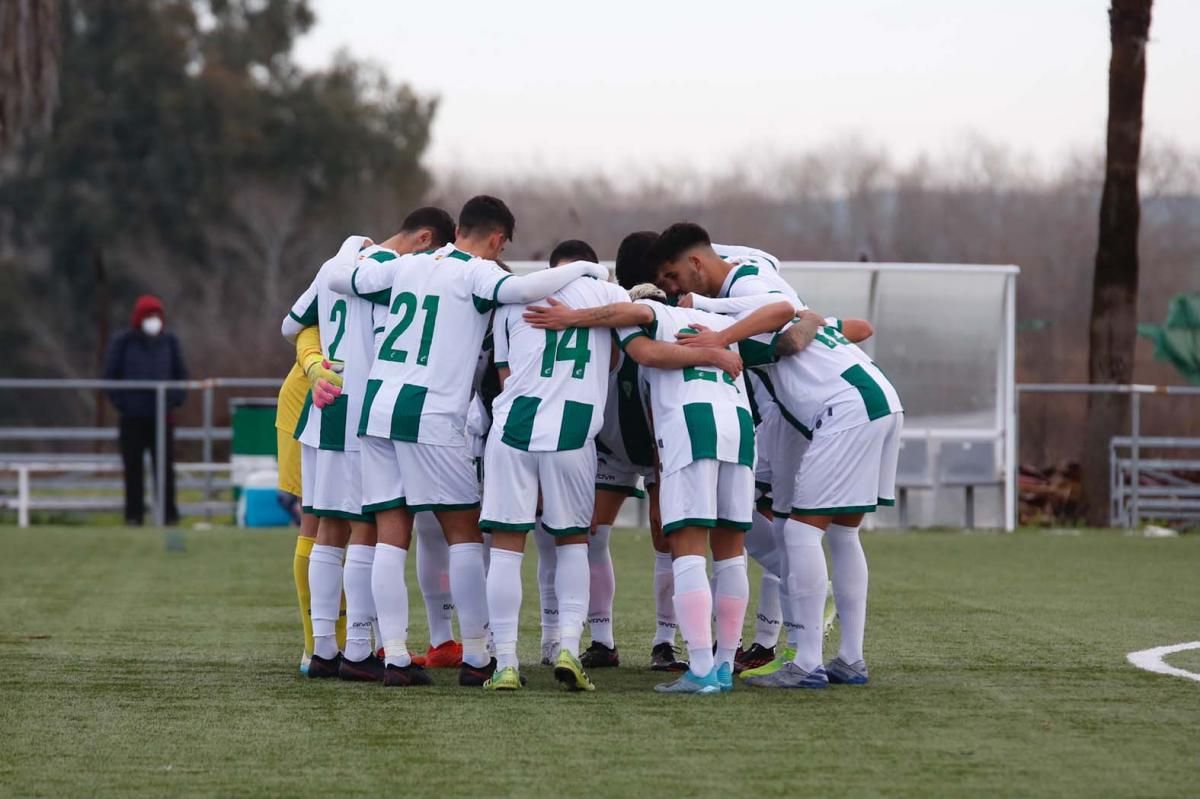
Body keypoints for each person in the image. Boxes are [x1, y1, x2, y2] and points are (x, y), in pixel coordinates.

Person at [328, 195, 609, 688]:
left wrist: (356, 245)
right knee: (461, 532)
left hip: (377, 405)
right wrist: (586, 267)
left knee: (389, 533)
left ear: (457, 226)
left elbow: (338, 277)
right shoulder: (475, 272)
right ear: (498, 240)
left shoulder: (407, 263)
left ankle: (393, 656)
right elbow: (524, 286)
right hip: (430, 412)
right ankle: (478, 655)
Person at [651, 223, 902, 689]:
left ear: (696, 264)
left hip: (844, 407)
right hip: (875, 399)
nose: (673, 289)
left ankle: (806, 662)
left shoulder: (745, 284)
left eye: (673, 276)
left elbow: (781, 311)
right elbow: (799, 316)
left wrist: (715, 333)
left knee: (802, 532)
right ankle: (849, 657)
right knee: (842, 535)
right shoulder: (755, 281)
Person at [524, 282, 795, 694]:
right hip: (739, 431)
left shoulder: (655, 317)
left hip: (692, 427)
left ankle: (702, 668)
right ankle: (723, 664)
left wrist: (572, 317)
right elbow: (785, 307)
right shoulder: (719, 320)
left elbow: (642, 343)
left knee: (687, 551)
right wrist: (718, 333)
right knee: (729, 555)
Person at [281, 207, 458, 682]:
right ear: (424, 240)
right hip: (363, 412)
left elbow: (291, 324)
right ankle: (358, 650)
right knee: (370, 531)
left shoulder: (338, 262)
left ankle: (322, 649)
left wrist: (321, 362)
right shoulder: (391, 274)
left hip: (321, 412)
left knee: (325, 532)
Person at [103, 294, 187, 526]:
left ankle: (169, 515)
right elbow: (111, 376)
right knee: (133, 469)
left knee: (165, 469)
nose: (154, 320)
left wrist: (174, 400)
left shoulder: (169, 342)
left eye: (157, 315)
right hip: (132, 418)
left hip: (162, 417)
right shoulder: (123, 342)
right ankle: (134, 516)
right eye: (149, 316)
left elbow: (181, 375)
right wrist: (124, 404)